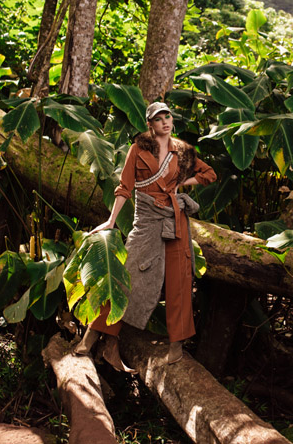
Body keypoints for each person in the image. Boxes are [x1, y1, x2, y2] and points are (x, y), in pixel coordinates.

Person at [74, 101, 217, 364]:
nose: (165, 121)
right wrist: (111, 221)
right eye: (158, 118)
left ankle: (176, 346)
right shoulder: (137, 150)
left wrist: (181, 184)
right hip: (146, 221)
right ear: (149, 124)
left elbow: (209, 174)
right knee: (124, 277)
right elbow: (124, 188)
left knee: (179, 283)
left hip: (175, 222)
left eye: (168, 116)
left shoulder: (182, 151)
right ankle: (93, 338)